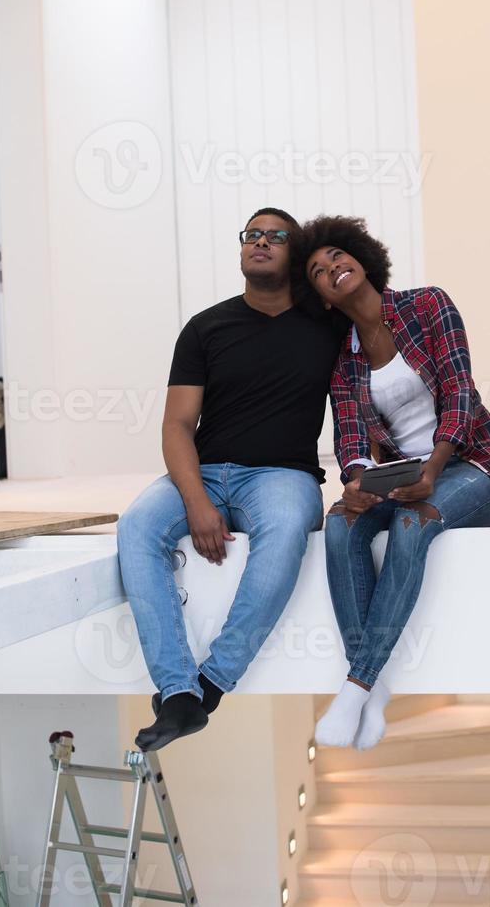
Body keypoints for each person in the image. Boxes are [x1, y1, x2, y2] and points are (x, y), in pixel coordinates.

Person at [117, 208, 345, 751]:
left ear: (297, 253)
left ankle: (211, 684)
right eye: (252, 235)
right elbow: (176, 425)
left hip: (282, 476)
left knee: (289, 530)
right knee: (136, 527)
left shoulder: (328, 328)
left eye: (276, 236)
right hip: (205, 469)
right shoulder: (206, 327)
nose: (260, 242)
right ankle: (176, 693)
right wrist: (195, 499)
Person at [298, 215, 490, 751]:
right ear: (321, 297)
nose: (332, 269)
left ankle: (358, 689)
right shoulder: (343, 361)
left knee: (412, 524)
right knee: (340, 526)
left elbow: (460, 393)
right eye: (319, 271)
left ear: (361, 257)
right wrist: (355, 482)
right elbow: (348, 436)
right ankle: (373, 688)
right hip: (399, 475)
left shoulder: (426, 305)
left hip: (473, 466)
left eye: (336, 257)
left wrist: (433, 471)